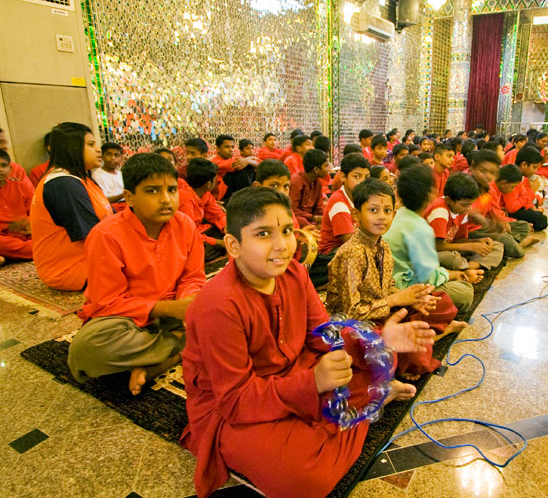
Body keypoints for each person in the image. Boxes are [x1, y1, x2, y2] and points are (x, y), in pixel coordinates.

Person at [180, 187, 436, 498]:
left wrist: (381, 339)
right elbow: (234, 400)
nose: (282, 246)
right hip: (236, 405)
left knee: (383, 359)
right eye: (263, 234)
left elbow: (324, 334)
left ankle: (348, 414)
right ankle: (362, 410)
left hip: (297, 372)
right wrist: (312, 383)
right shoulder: (218, 306)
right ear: (233, 245)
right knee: (303, 481)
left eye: (287, 231)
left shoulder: (295, 272)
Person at [68, 153, 205, 395]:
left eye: (172, 190)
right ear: (130, 197)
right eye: (152, 191)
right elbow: (107, 302)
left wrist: (188, 303)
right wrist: (167, 309)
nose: (166, 200)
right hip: (126, 321)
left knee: (232, 314)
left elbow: (192, 278)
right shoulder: (106, 235)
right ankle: (180, 349)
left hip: (174, 313)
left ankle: (160, 356)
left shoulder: (185, 225)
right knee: (86, 349)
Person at [327, 178, 461, 379]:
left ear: (394, 214)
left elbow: (388, 285)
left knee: (440, 301)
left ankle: (427, 338)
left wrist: (413, 298)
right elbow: (351, 312)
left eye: (387, 211)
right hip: (355, 325)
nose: (382, 217)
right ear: (356, 214)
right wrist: (396, 301)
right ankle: (432, 338)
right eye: (373, 210)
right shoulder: (352, 253)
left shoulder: (383, 246)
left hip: (383, 310)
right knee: (402, 351)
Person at [383, 164, 480, 313]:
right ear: (431, 194)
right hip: (401, 288)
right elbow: (426, 277)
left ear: (398, 195)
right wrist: (456, 276)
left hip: (392, 281)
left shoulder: (399, 214)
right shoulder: (420, 228)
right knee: (464, 293)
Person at [30, 122, 113, 291]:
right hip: (72, 268)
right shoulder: (63, 184)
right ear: (72, 148)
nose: (98, 149)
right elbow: (92, 236)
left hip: (94, 258)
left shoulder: (82, 179)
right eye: (91, 144)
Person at [425, 172, 504, 272]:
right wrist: (470, 246)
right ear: (449, 200)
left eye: (470, 204)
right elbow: (436, 246)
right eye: (465, 205)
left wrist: (477, 242)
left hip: (449, 247)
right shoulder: (440, 211)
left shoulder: (461, 210)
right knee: (451, 257)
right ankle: (467, 267)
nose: (469, 208)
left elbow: (459, 239)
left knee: (497, 246)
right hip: (430, 252)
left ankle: (469, 267)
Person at [467, 149, 537, 259]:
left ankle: (510, 244)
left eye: (492, 173)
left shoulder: (488, 188)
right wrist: (493, 225)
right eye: (483, 171)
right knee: (503, 240)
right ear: (473, 166)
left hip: (484, 227)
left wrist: (502, 223)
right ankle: (519, 245)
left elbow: (493, 211)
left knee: (523, 226)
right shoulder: (466, 185)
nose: (488, 176)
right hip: (470, 232)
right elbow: (472, 214)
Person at [319, 153, 370, 255]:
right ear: (343, 177)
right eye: (357, 176)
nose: (363, 182)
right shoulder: (338, 202)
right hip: (330, 254)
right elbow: (349, 239)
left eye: (366, 177)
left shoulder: (359, 197)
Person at [178, 158, 227, 261]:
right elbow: (188, 235)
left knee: (228, 234)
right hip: (187, 237)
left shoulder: (205, 194)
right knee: (202, 251)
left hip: (200, 230)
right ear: (209, 184)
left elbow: (217, 214)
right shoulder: (186, 200)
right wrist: (218, 242)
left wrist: (226, 227)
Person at [495, 156, 548, 231]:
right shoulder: (509, 179)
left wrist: (533, 208)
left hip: (516, 207)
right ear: (524, 164)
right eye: (534, 167)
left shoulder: (520, 178)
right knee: (538, 221)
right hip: (512, 210)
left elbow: (527, 196)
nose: (535, 171)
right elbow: (511, 208)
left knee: (537, 211)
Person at [289, 149, 328, 228]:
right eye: (326, 166)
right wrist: (314, 218)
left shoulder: (317, 182)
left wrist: (322, 218)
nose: (329, 169)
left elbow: (319, 207)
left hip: (312, 220)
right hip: (299, 219)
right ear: (316, 169)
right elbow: (293, 210)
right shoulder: (296, 182)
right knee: (303, 221)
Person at [212, 135, 258, 201]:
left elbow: (259, 164)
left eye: (232, 147)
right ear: (218, 149)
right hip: (223, 197)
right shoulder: (214, 162)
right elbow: (226, 165)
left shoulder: (237, 159)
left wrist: (248, 161)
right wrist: (248, 160)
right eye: (227, 147)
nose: (231, 150)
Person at [92, 142, 126, 211]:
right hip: (111, 209)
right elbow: (103, 200)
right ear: (102, 156)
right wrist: (124, 194)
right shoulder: (97, 176)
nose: (113, 158)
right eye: (109, 154)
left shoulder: (121, 174)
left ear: (121, 158)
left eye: (116, 155)